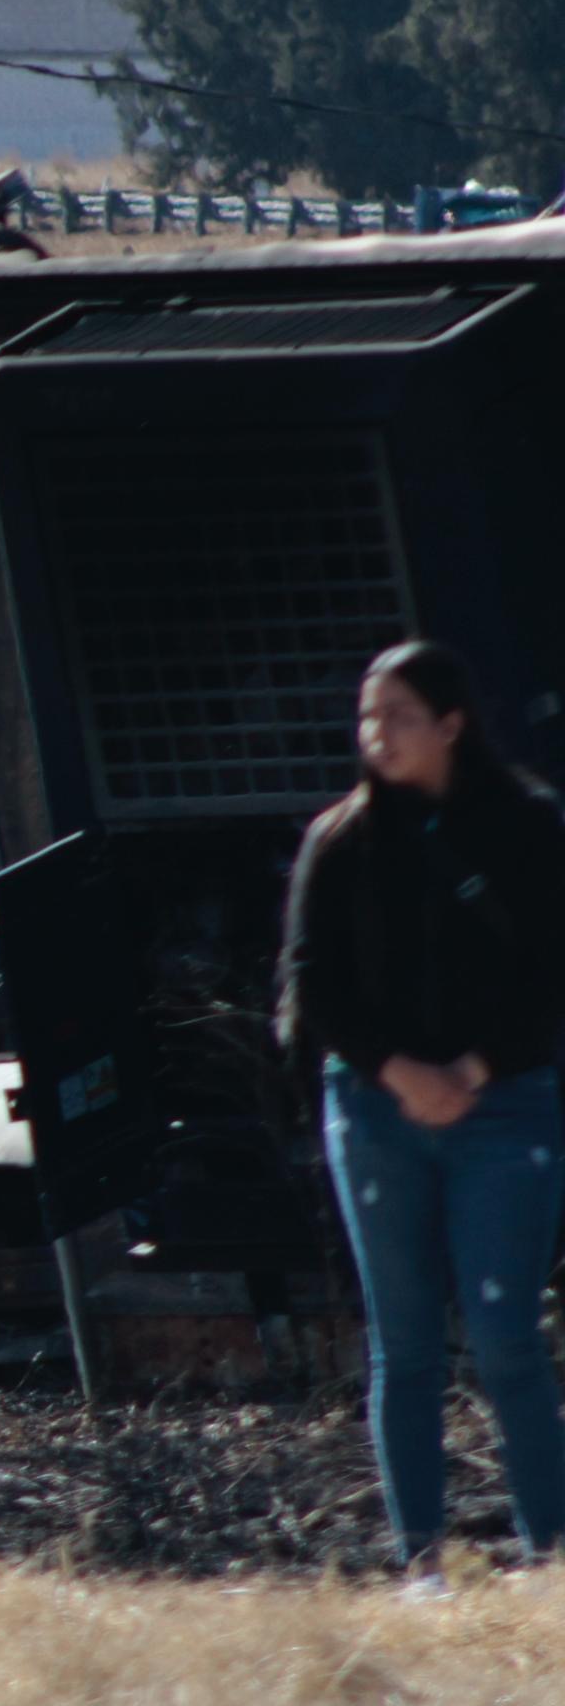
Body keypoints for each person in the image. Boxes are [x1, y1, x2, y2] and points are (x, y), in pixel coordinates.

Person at [280, 638, 565, 1594]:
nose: (376, 734)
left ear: (451, 724)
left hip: (505, 1107)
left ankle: (548, 1555)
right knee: (403, 1344)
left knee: (504, 1339)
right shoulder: (341, 841)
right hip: (374, 1108)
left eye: (397, 714)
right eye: (367, 716)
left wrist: (472, 1071)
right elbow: (310, 983)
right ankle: (420, 1565)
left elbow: (552, 977)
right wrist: (399, 1073)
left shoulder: (528, 826)